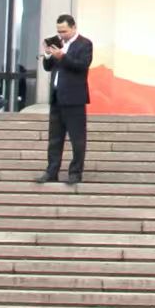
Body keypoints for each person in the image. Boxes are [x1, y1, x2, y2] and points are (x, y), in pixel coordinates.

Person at [38, 14, 91, 185]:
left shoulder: (84, 44)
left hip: (75, 99)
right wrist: (48, 55)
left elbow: (82, 66)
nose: (61, 35)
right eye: (59, 31)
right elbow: (48, 67)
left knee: (77, 139)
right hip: (56, 98)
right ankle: (51, 171)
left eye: (64, 31)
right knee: (55, 138)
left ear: (74, 27)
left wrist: (63, 56)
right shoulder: (59, 44)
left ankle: (75, 173)